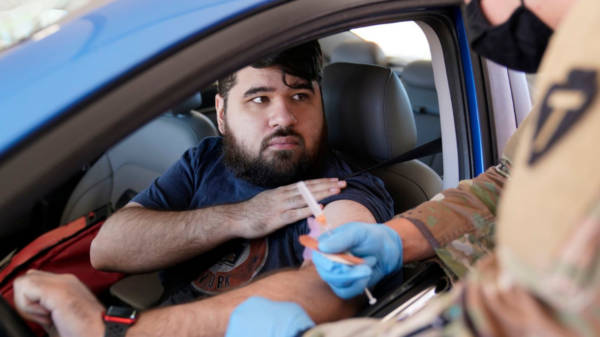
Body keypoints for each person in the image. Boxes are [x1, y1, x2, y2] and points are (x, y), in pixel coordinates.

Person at [223, 0, 600, 336]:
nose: (473, 8)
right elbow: (512, 182)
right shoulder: (578, 53)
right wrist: (400, 238)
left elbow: (544, 312)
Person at [11, 41, 400, 336]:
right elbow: (106, 249)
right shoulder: (206, 159)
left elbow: (323, 291)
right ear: (222, 114)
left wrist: (123, 329)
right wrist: (240, 217)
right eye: (259, 99)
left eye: (300, 96)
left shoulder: (344, 189)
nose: (283, 117)